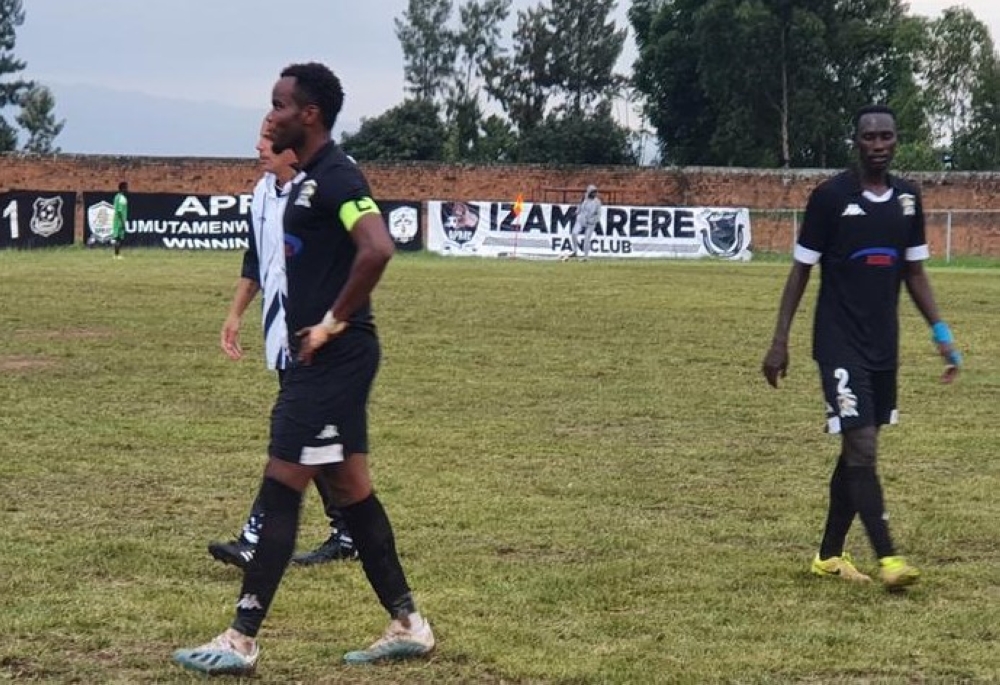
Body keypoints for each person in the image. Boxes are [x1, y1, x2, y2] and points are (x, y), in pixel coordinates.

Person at [173, 62, 434, 676]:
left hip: (334, 358)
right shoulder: (306, 179)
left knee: (282, 478)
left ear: (309, 114)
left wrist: (333, 319)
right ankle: (408, 624)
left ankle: (240, 638)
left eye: (280, 105)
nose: (271, 115)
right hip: (320, 358)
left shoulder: (338, 177)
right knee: (350, 490)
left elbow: (378, 247)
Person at [761, 104, 963, 590]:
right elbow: (801, 270)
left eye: (886, 136)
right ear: (856, 141)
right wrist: (779, 339)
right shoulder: (830, 197)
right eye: (869, 136)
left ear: (897, 141)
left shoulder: (910, 200)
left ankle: (829, 556)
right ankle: (889, 558)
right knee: (863, 446)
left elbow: (914, 273)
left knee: (857, 453)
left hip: (883, 347)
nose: (878, 144)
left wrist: (942, 335)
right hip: (838, 344)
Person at [206, 118, 357, 571]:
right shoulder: (261, 193)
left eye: (267, 141)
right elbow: (256, 258)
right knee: (318, 439)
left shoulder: (328, 188)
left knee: (290, 431)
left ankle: (256, 538)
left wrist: (334, 322)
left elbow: (361, 254)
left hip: (321, 334)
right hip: (281, 332)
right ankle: (350, 531)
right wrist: (235, 314)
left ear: (295, 147)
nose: (257, 147)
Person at [563, 184, 601, 260]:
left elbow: (598, 214)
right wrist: (577, 212)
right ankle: (575, 251)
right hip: (581, 219)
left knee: (587, 238)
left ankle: (586, 256)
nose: (594, 194)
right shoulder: (585, 197)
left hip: (591, 222)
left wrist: (593, 220)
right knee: (574, 233)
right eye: (592, 192)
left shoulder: (597, 202)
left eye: (595, 192)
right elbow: (580, 206)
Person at [111, 181, 128, 259]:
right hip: (119, 220)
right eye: (126, 187)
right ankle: (117, 255)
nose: (127, 189)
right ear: (123, 188)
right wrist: (123, 222)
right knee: (118, 238)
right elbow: (120, 211)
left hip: (115, 220)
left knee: (116, 238)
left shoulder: (116, 196)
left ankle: (115, 254)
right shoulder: (122, 198)